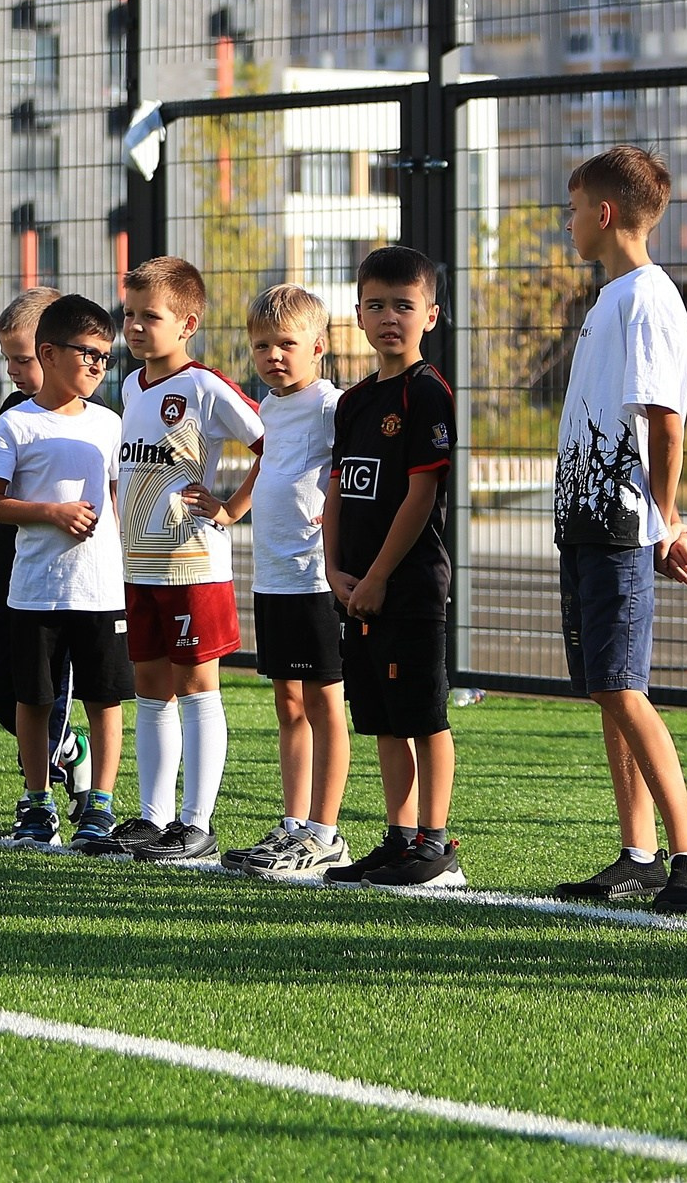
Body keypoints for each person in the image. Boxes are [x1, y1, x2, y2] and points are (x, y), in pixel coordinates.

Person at [546, 147, 687, 914]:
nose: (570, 220)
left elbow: (664, 420)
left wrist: (665, 517)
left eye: (576, 206)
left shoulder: (647, 297)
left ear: (607, 214)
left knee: (624, 686)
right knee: (606, 690)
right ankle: (640, 855)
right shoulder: (610, 297)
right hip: (587, 523)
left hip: (620, 526)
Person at [0, 293, 130, 849]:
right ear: (51, 352)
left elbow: (115, 501)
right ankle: (37, 803)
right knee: (33, 698)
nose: (96, 364)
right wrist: (51, 513)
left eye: (104, 356)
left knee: (103, 698)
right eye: (86, 352)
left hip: (100, 590)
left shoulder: (110, 424)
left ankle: (100, 809)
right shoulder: (16, 423)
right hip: (35, 589)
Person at [110, 256, 263, 861]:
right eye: (130, 315)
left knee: (197, 687)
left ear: (188, 323)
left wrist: (232, 508)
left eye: (151, 316)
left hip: (193, 563)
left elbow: (270, 444)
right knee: (150, 687)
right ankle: (155, 818)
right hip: (139, 564)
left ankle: (197, 824)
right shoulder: (129, 385)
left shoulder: (204, 386)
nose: (136, 327)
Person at [321, 246, 464, 890]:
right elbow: (335, 491)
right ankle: (399, 837)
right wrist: (336, 570)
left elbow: (421, 494)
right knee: (379, 714)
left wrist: (378, 576)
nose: (389, 318)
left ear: (430, 315)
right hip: (356, 587)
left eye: (404, 306)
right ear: (356, 313)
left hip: (407, 588)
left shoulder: (427, 393)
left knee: (423, 714)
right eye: (375, 305)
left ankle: (436, 844)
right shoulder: (353, 402)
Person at [219, 284, 351, 878]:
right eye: (262, 345)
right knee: (287, 703)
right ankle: (294, 824)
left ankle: (326, 831)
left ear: (318, 347)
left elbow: (352, 474)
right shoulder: (270, 406)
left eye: (286, 344)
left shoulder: (332, 406)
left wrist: (338, 522)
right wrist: (233, 508)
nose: (273, 355)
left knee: (325, 702)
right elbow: (267, 459)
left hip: (315, 578)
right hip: (272, 576)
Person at [0, 287, 85, 797]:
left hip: (59, 580)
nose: (12, 370)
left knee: (45, 689)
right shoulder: (13, 412)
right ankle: (68, 751)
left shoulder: (92, 422)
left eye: (20, 359)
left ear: (52, 353)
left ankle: (39, 797)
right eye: (8, 359)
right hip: (6, 567)